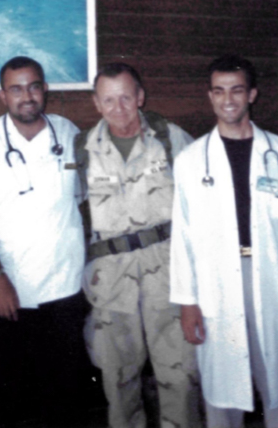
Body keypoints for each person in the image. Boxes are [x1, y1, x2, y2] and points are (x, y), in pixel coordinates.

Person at [170, 55, 278, 428]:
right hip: (216, 285)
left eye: (237, 90)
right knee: (222, 391)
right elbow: (183, 237)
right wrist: (187, 303)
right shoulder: (192, 161)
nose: (228, 100)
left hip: (275, 280)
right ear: (210, 96)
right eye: (220, 91)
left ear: (251, 94)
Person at [0, 56, 89, 427]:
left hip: (64, 290)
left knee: (63, 398)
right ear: (3, 96)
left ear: (45, 88)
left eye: (33, 86)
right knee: (1, 401)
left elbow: (79, 199)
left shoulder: (68, 133)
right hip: (4, 294)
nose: (26, 96)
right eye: (16, 89)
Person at [77, 62, 201, 428]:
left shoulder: (171, 139)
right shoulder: (80, 149)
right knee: (118, 381)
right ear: (97, 104)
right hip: (110, 280)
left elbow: (202, 203)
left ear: (140, 97)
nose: (119, 109)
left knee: (180, 376)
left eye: (126, 98)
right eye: (109, 100)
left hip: (168, 273)